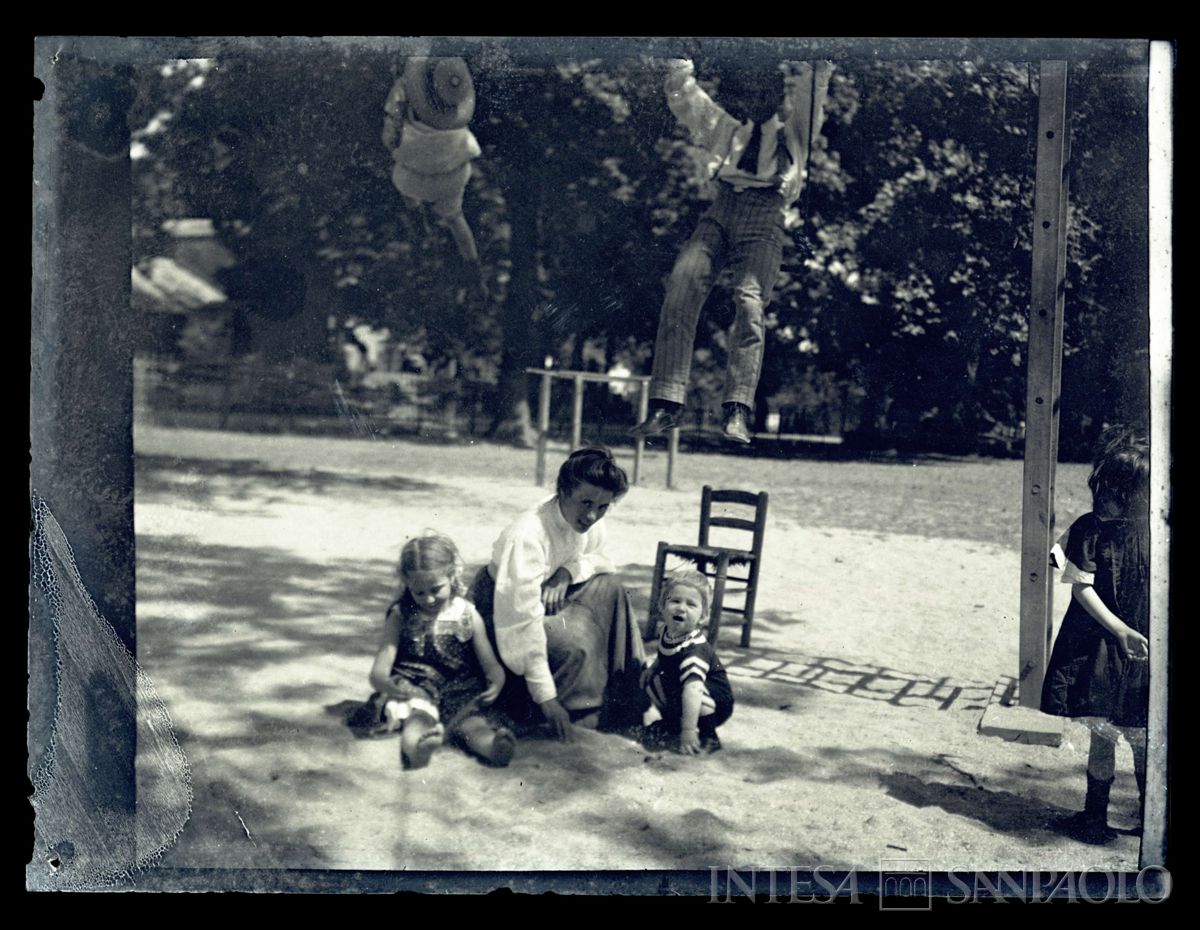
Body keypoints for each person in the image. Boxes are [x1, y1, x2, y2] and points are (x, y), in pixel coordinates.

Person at [630, 57, 833, 444]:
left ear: (779, 98)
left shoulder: (795, 134)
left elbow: (813, 94)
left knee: (750, 302)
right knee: (681, 288)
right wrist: (678, 60)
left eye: (765, 94)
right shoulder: (726, 128)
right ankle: (666, 403)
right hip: (721, 209)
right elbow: (686, 97)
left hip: (766, 214)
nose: (757, 101)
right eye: (750, 94)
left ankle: (737, 409)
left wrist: (818, 66)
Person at [469, 447, 648, 740]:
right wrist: (546, 698)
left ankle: (628, 705)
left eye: (603, 506)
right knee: (574, 639)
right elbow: (520, 622)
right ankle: (571, 717)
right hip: (503, 611)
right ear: (562, 491)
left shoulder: (591, 519)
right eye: (586, 503)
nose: (592, 515)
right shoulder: (527, 534)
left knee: (614, 590)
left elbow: (603, 560)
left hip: (550, 592)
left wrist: (567, 572)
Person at [1041, 427, 1151, 844]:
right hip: (1100, 646)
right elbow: (1080, 586)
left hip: (1144, 650)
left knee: (1143, 736)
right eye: (1103, 488)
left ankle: (1150, 818)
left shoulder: (1157, 531)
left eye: (1119, 493)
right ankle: (1094, 819)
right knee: (1102, 732)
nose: (1105, 499)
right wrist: (1120, 627)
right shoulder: (1089, 530)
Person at [365, 533, 516, 770]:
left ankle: (492, 747)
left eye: (436, 589)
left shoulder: (466, 614)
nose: (429, 598)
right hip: (415, 686)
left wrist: (496, 680)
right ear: (407, 584)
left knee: (472, 725)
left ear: (452, 575)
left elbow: (490, 663)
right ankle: (417, 748)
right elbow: (379, 671)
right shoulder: (401, 615)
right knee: (418, 719)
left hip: (459, 689)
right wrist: (389, 685)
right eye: (419, 592)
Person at [382, 56, 488, 295]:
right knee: (454, 217)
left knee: (403, 177)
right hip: (452, 173)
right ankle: (473, 266)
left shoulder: (403, 88)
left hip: (415, 175)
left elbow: (389, 138)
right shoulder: (454, 92)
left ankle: (415, 213)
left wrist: (393, 134)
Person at [641, 569, 735, 754]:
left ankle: (709, 736)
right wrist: (652, 669)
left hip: (714, 702)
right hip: (685, 688)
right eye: (675, 601)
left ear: (703, 616)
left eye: (691, 604)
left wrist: (688, 731)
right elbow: (665, 657)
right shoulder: (667, 632)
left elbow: (694, 689)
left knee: (692, 691)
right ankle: (672, 724)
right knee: (652, 681)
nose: (681, 608)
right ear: (662, 606)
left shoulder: (695, 650)